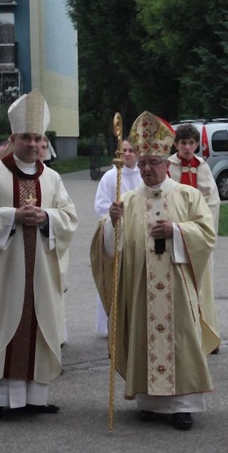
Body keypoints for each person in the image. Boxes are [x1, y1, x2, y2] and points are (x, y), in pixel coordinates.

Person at [0, 90, 79, 427]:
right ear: (13, 138)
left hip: (39, 274)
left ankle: (35, 398)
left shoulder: (52, 178)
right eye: (26, 138)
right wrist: (12, 217)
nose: (33, 144)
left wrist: (48, 218)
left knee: (37, 327)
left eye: (38, 138)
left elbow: (69, 216)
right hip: (2, 272)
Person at [90, 111, 219, 431]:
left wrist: (176, 231)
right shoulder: (129, 200)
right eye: (143, 163)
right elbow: (108, 248)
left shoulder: (187, 195)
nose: (147, 169)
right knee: (143, 337)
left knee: (182, 339)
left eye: (154, 163)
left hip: (176, 286)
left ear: (166, 163)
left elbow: (206, 234)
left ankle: (183, 404)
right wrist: (112, 222)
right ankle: (148, 400)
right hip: (140, 287)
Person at [167, 124, 221, 353]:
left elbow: (212, 201)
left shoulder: (203, 167)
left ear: (197, 144)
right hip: (176, 230)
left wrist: (202, 226)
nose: (187, 148)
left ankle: (206, 332)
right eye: (183, 143)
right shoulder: (169, 166)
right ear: (176, 144)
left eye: (191, 143)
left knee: (202, 284)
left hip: (197, 233)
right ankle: (179, 334)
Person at [92, 139, 142, 337]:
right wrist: (115, 215)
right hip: (117, 231)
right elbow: (100, 205)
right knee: (113, 276)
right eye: (124, 150)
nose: (127, 154)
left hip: (137, 233)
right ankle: (107, 325)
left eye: (131, 150)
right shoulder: (110, 177)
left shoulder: (143, 175)